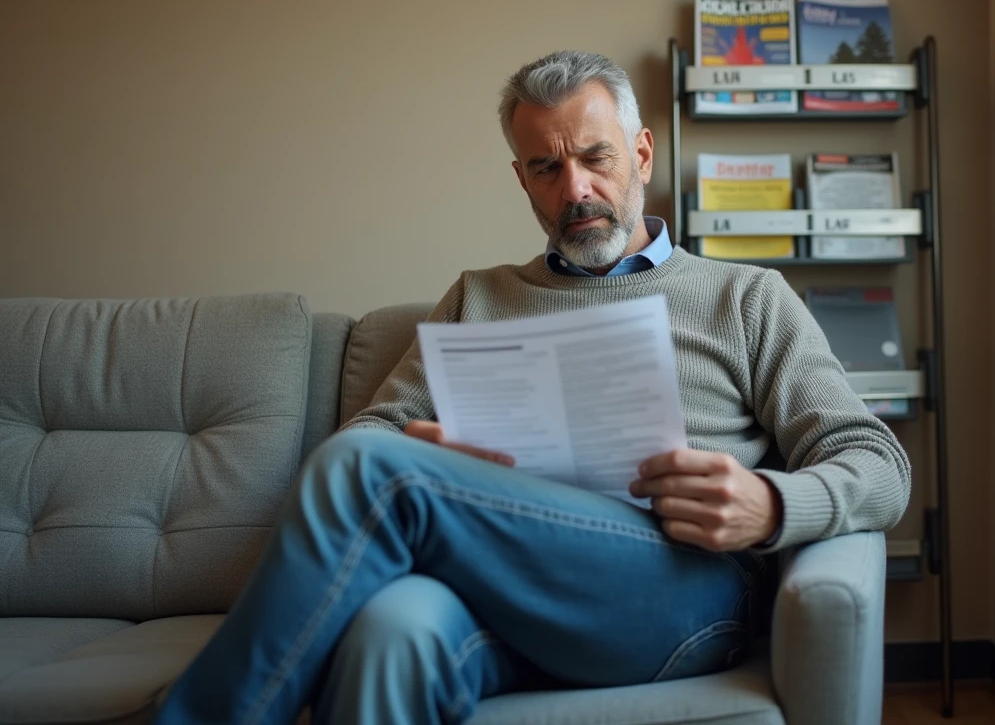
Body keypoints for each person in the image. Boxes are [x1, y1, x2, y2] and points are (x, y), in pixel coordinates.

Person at [155, 51, 911, 725]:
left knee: (366, 477)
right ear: (522, 179)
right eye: (547, 169)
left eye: (595, 157)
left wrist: (769, 505)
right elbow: (372, 441)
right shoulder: (479, 296)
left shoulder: (746, 297)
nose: (575, 189)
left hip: (676, 589)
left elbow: (878, 463)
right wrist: (428, 451)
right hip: (502, 587)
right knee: (393, 632)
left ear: (642, 154)